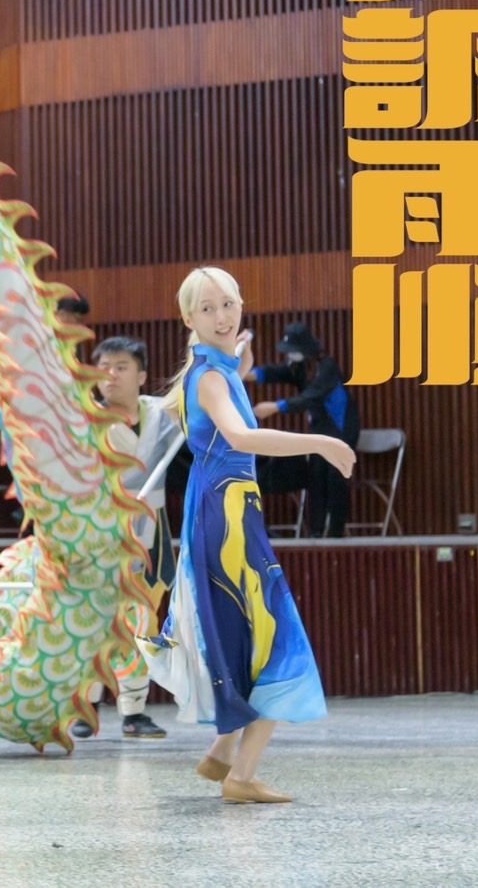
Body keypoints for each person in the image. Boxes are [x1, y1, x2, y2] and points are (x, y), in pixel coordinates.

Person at [138, 267, 352, 804]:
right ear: (188, 318)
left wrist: (241, 359)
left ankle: (222, 754)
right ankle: (240, 775)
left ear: (241, 306)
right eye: (207, 308)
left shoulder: (216, 368)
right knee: (278, 643)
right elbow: (240, 435)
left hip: (225, 514)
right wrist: (321, 443)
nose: (221, 316)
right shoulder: (210, 378)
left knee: (245, 635)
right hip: (226, 520)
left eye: (228, 304)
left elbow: (232, 383)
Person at [70, 336, 175, 742]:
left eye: (121, 367)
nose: (110, 375)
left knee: (142, 622)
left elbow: (206, 395)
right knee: (94, 621)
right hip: (97, 533)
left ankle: (134, 711)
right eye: (104, 367)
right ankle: (85, 705)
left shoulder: (162, 414)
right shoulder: (82, 420)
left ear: (142, 375)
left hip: (150, 534)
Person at [244, 321, 361, 538]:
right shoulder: (299, 367)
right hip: (319, 430)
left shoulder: (326, 367)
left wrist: (276, 407)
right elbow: (277, 372)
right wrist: (248, 374)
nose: (290, 356)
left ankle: (336, 532)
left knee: (335, 476)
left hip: (340, 429)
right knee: (316, 476)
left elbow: (310, 397)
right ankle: (316, 532)